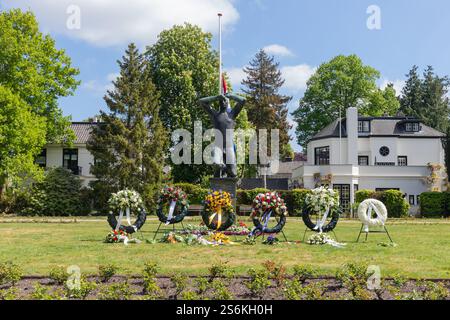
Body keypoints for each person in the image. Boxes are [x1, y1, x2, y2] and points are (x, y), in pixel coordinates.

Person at [198, 93, 246, 178]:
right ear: (219, 104)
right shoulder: (215, 115)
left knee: (233, 173)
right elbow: (201, 102)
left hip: (229, 146)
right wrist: (216, 97)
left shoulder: (232, 114)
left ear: (227, 103)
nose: (223, 102)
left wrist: (231, 96)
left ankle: (226, 170)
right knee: (217, 165)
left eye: (225, 101)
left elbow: (243, 100)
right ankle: (221, 169)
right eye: (221, 101)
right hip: (218, 145)